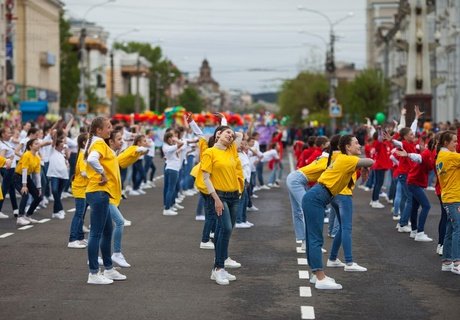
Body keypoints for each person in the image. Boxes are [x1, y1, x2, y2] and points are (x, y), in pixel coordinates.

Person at [302, 135, 374, 290]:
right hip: (316, 198)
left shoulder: (343, 159)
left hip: (315, 197)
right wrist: (365, 166)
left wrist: (361, 167)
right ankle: (320, 277)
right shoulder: (345, 159)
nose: (359, 145)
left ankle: (316, 275)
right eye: (356, 143)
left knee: (312, 238)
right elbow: (370, 161)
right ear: (347, 147)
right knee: (315, 239)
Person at [84, 117, 126, 285]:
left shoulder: (96, 142)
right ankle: (93, 273)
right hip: (99, 192)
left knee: (107, 231)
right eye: (108, 127)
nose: (111, 129)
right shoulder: (99, 143)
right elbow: (92, 160)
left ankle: (108, 269)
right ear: (98, 130)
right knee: (96, 233)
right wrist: (102, 174)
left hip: (101, 192)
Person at [200, 126, 244, 285]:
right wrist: (216, 199)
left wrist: (230, 133)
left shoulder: (231, 150)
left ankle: (218, 268)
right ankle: (219, 268)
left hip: (234, 196)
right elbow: (206, 178)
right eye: (227, 133)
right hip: (219, 196)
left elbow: (240, 134)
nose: (231, 136)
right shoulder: (209, 152)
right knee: (225, 228)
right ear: (218, 135)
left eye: (231, 135)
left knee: (226, 231)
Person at [286, 135, 337, 252]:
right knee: (308, 210)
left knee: (298, 212)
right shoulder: (327, 162)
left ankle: (304, 242)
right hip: (297, 180)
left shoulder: (323, 158)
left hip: (295, 178)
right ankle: (312, 244)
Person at [435, 130, 460, 275]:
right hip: (453, 197)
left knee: (451, 229)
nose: (457, 144)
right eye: (454, 141)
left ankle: (447, 261)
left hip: (448, 196)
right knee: (458, 229)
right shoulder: (450, 156)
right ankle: (457, 262)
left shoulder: (441, 155)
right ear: (446, 143)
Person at [13, 139, 43, 226]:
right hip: (18, 176)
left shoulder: (37, 158)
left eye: (38, 143)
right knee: (25, 194)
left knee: (38, 197)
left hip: (26, 177)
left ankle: (28, 215)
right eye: (36, 144)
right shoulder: (26, 155)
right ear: (30, 146)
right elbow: (24, 170)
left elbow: (37, 175)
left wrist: (39, 188)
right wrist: (24, 185)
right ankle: (20, 217)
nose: (38, 145)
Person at [68, 133, 89, 249]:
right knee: (79, 214)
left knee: (81, 214)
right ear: (84, 143)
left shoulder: (83, 154)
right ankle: (72, 240)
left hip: (83, 187)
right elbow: (84, 172)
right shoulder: (82, 155)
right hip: (80, 188)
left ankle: (80, 238)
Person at [47, 137, 70, 220]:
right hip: (54, 175)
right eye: (60, 145)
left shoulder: (63, 153)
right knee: (54, 191)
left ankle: (55, 212)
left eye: (62, 145)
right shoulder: (52, 151)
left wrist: (66, 147)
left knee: (58, 194)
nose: (62, 147)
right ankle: (60, 209)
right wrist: (55, 133)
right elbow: (53, 142)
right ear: (56, 146)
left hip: (64, 176)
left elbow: (68, 157)